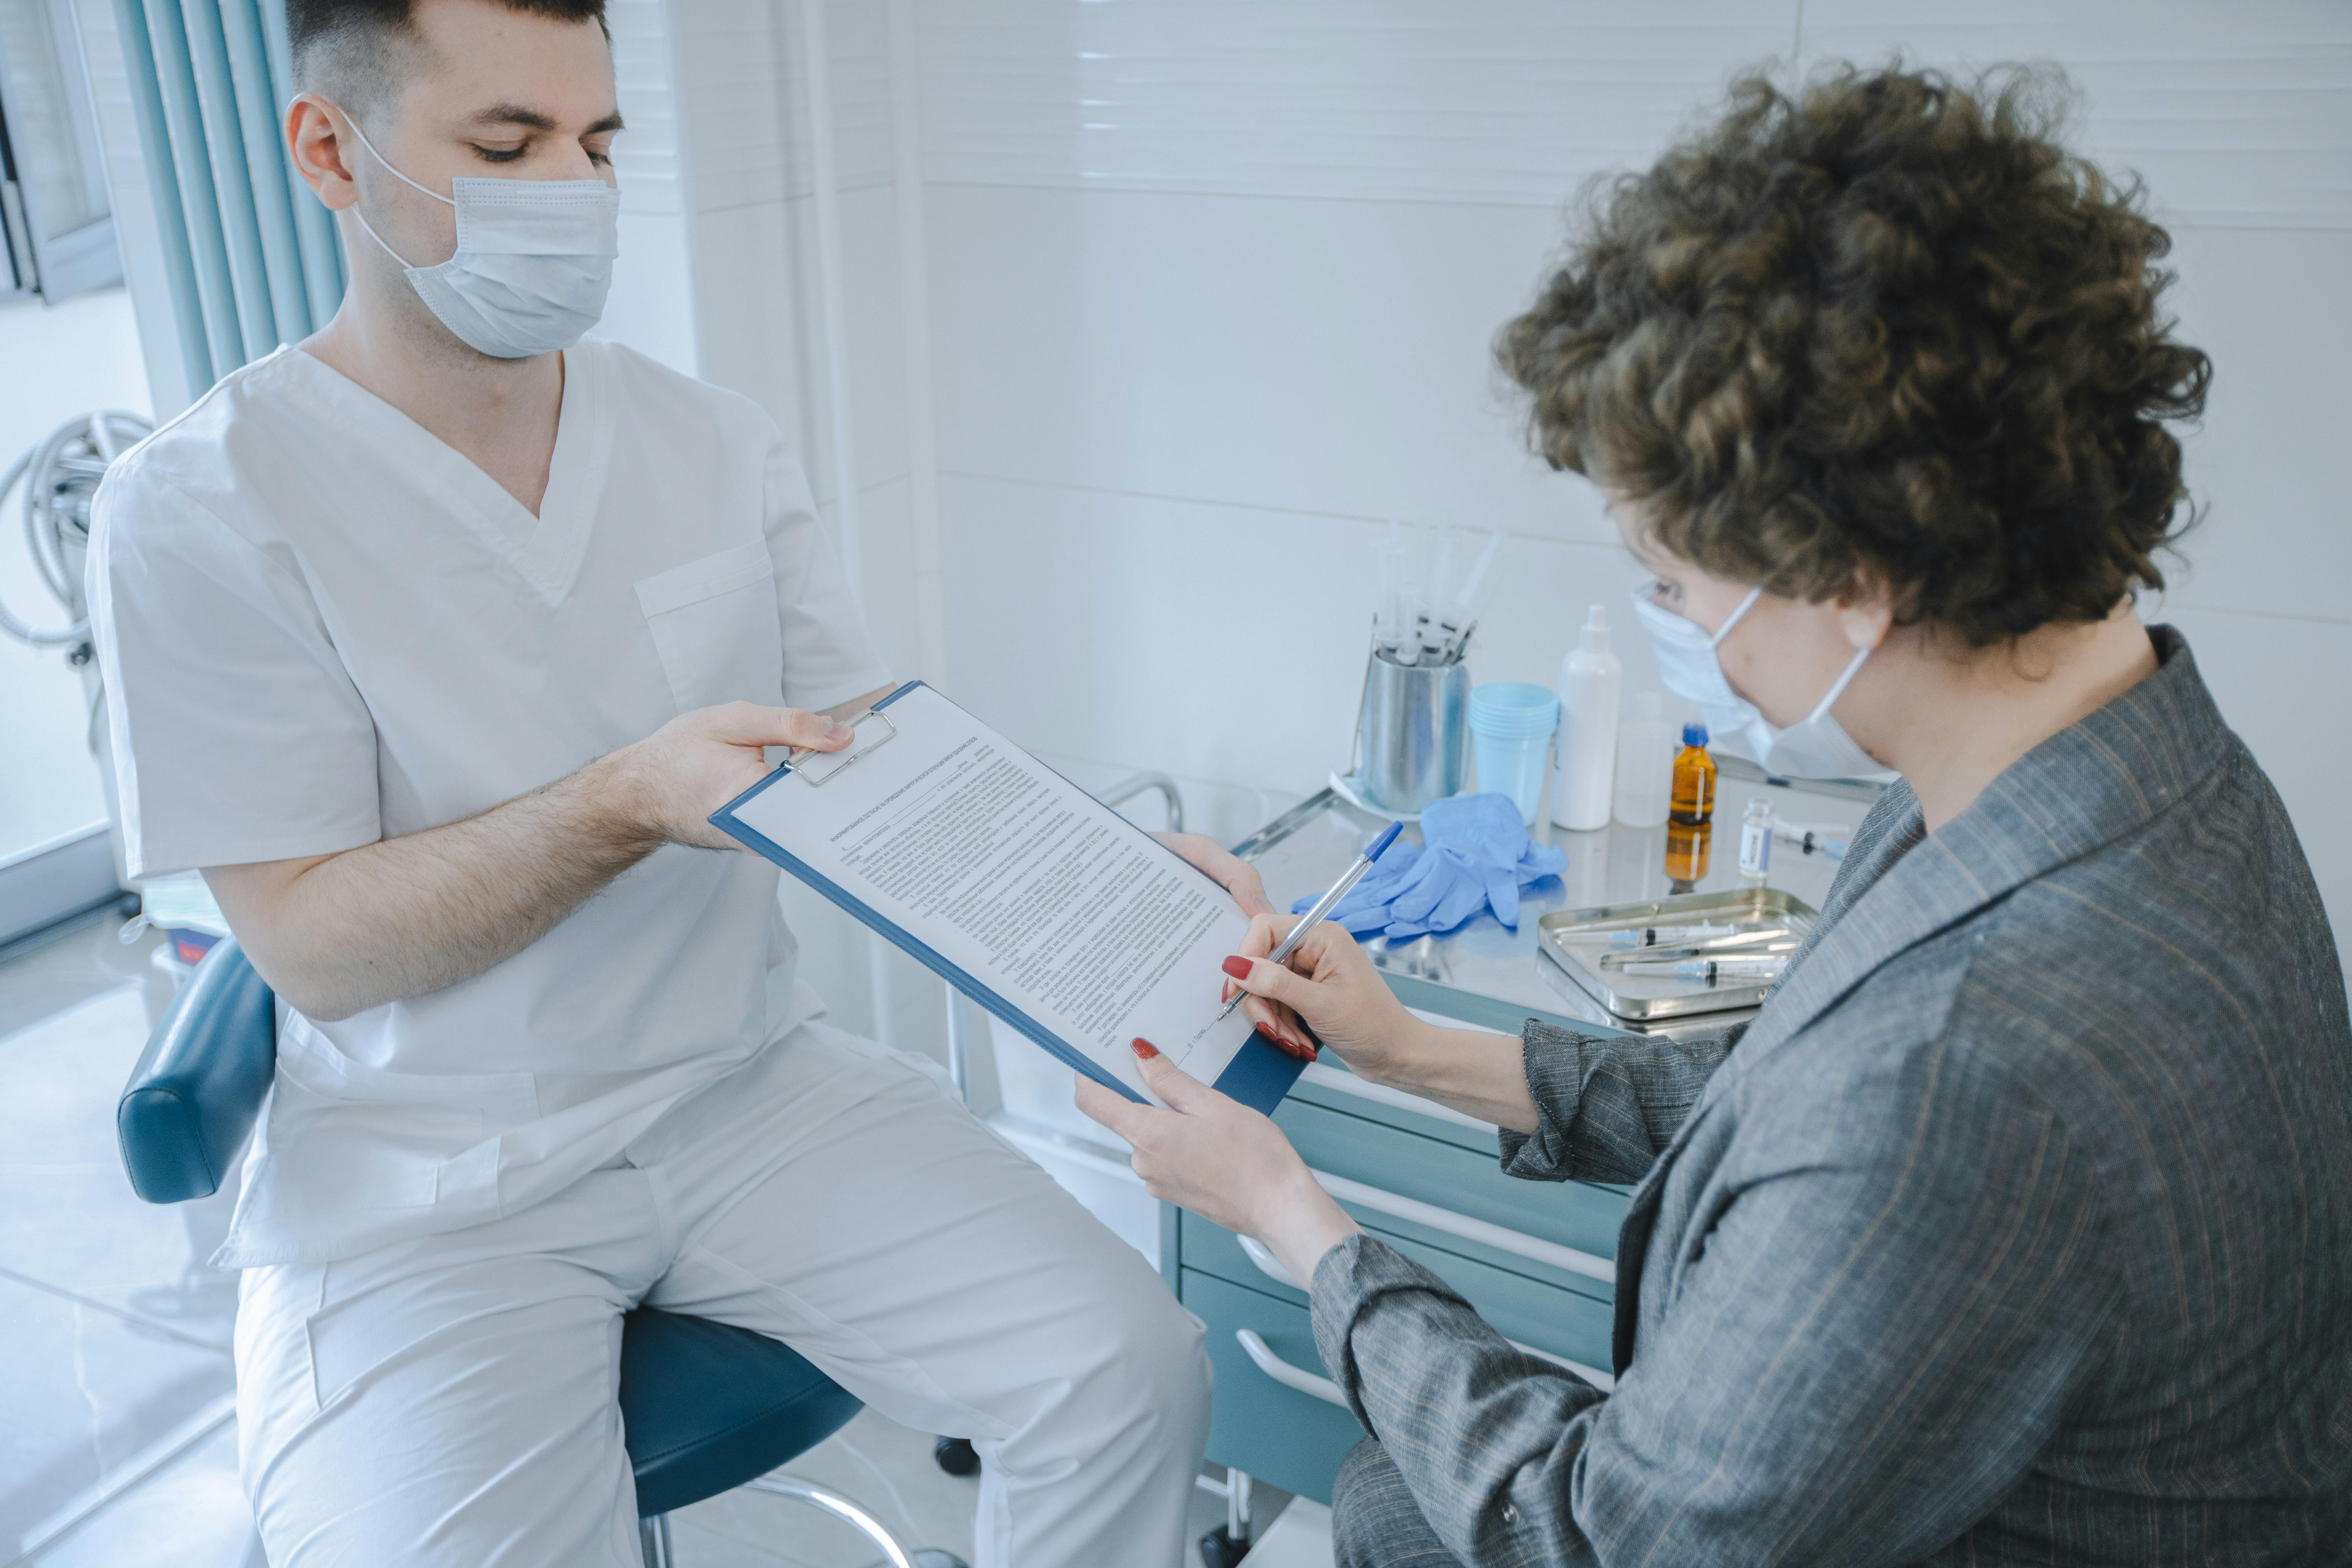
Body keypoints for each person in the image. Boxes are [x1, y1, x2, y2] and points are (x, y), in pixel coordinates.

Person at [1080, 64, 2352, 1564]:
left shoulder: (1974, 1063)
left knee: (1397, 1507)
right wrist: (1409, 1049)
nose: (1679, 626)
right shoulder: (2123, 764)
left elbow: (1607, 1538)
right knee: (1383, 1503)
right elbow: (1785, 1102)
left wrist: (1292, 1218)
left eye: (1676, 586)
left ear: (1856, 578)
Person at [87, 1, 1273, 1561]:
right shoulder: (204, 507)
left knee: (1130, 1369)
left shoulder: (709, 439)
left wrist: (1114, 893)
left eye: (597, 143)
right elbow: (310, 941)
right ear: (331, 151)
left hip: (746, 1086)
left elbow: (877, 757)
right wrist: (617, 801)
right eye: (508, 145)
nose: (572, 193)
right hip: (436, 1174)